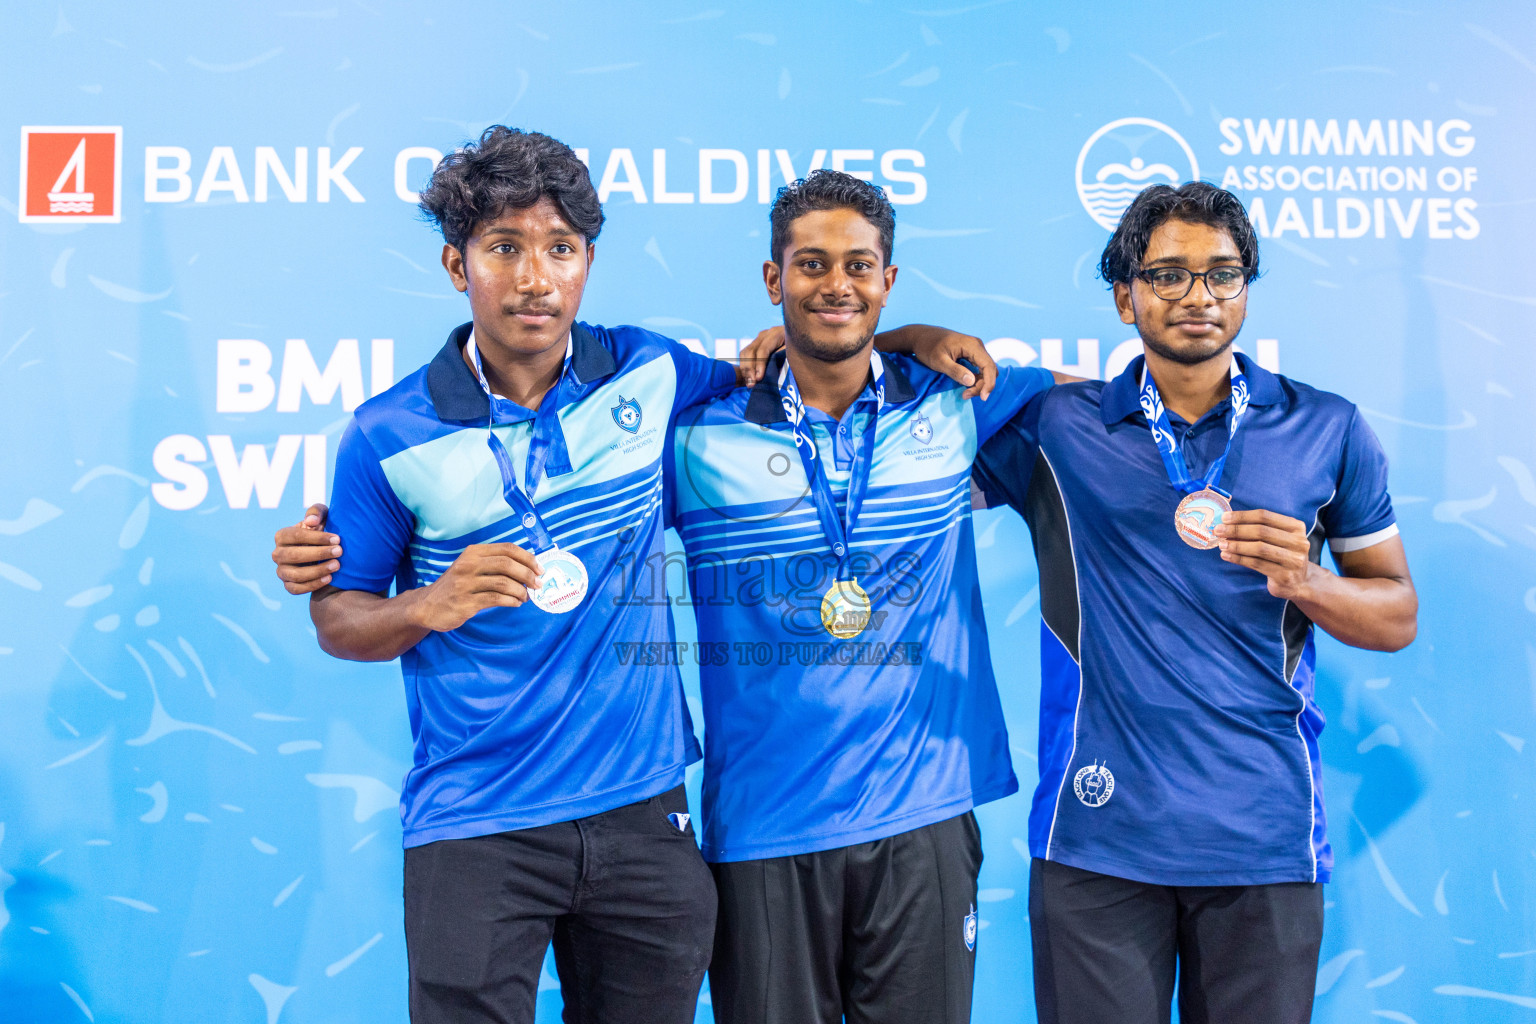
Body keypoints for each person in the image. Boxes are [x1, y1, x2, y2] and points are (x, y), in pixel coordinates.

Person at [270, 129, 990, 1024]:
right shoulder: (388, 431)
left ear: (587, 262)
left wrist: (914, 334)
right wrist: (429, 602)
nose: (536, 277)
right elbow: (340, 619)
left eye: (559, 250)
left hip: (645, 819)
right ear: (458, 266)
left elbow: (814, 355)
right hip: (478, 820)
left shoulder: (649, 369)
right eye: (505, 249)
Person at [972, 181, 1418, 1024]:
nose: (1198, 297)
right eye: (1168, 275)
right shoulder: (1056, 425)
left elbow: (1397, 614)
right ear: (1124, 294)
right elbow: (889, 420)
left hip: (1265, 838)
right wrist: (915, 336)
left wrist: (1309, 582)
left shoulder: (1325, 426)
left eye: (1222, 274)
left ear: (1246, 287)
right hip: (1096, 836)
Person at [665, 170, 1059, 1024]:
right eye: (811, 265)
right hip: (767, 828)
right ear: (774, 282)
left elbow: (1110, 417)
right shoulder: (697, 429)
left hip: (922, 817)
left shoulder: (960, 404)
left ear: (888, 279)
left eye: (858, 266)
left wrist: (915, 338)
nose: (834, 285)